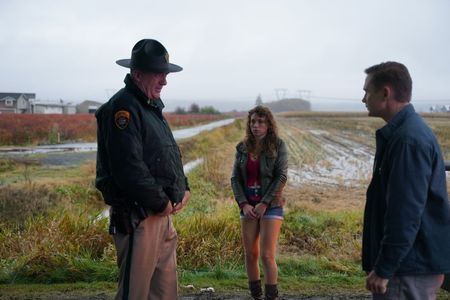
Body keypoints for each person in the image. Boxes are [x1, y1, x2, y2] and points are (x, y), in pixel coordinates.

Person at [95, 39, 190, 300]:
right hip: (140, 216)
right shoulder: (123, 108)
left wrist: (184, 187)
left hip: (161, 215)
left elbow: (167, 153)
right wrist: (161, 202)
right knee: (135, 293)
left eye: (166, 74)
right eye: (158, 74)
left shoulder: (150, 107)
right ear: (137, 74)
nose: (164, 81)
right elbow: (128, 168)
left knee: (164, 292)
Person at [361, 61, 450, 299]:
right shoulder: (405, 133)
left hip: (407, 269)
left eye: (367, 91)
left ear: (385, 93)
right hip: (409, 264)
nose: (363, 99)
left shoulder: (408, 141)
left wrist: (384, 268)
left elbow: (405, 212)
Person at [231, 106, 288, 300]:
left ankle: (271, 296)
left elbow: (281, 176)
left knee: (266, 255)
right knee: (250, 254)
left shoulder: (278, 146)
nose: (256, 125)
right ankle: (256, 295)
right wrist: (243, 204)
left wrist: (264, 203)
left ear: (268, 124)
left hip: (271, 206)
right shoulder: (242, 148)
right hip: (247, 207)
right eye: (253, 122)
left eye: (261, 122)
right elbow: (235, 179)